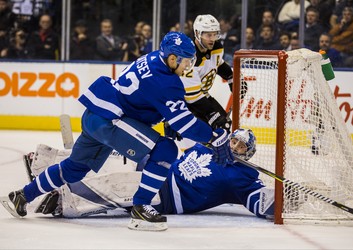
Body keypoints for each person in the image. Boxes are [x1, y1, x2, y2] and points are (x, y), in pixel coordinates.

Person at [3, 31, 233, 231]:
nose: (188, 67)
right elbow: (185, 123)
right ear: (172, 58)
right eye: (185, 62)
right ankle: (141, 207)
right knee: (166, 150)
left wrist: (167, 120)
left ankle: (22, 196)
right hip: (112, 120)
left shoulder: (154, 58)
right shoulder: (167, 82)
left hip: (97, 115)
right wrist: (214, 138)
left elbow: (148, 100)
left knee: (74, 169)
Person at [23, 128, 275, 220]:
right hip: (157, 169)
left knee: (115, 186)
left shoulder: (243, 177)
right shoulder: (210, 147)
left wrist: (279, 200)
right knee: (111, 156)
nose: (234, 147)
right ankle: (44, 162)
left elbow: (257, 200)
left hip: (164, 195)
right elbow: (181, 150)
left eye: (241, 147)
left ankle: (63, 201)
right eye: (234, 141)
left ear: (247, 153)